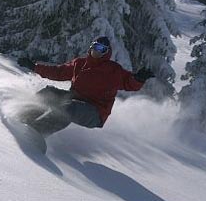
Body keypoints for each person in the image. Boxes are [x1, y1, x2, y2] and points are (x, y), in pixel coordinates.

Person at [16, 36, 154, 135]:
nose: (97, 51)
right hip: (74, 99)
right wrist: (34, 67)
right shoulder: (80, 63)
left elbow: (128, 82)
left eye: (101, 49)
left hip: (95, 111)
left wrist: (138, 78)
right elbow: (58, 72)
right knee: (48, 93)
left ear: (107, 52)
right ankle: (22, 118)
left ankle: (36, 132)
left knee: (69, 108)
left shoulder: (112, 70)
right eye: (95, 47)